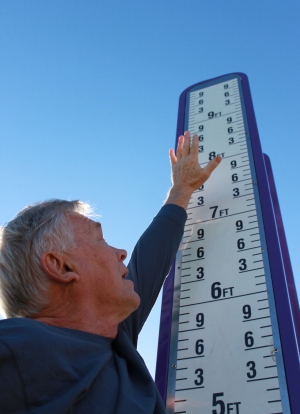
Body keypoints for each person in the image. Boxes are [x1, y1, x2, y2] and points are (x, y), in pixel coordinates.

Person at [0, 132, 221, 414]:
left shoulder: (116, 336)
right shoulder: (16, 346)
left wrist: (182, 190)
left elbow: (149, 258)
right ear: (61, 266)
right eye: (100, 240)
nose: (121, 253)